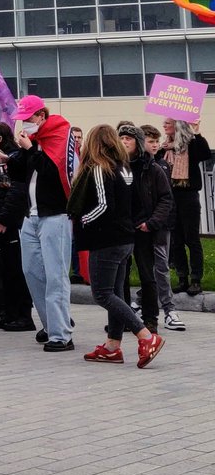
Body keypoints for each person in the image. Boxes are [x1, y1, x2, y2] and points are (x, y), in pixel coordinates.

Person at [68, 125, 165, 369]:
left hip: (106, 239)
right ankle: (112, 346)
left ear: (93, 143)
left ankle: (145, 336)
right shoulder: (124, 168)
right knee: (116, 293)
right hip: (124, 238)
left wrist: (81, 220)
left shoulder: (101, 168)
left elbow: (103, 205)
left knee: (102, 293)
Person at [6, 96, 75, 352]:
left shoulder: (59, 134)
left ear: (42, 116)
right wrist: (11, 157)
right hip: (31, 216)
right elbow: (21, 174)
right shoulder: (32, 143)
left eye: (29, 118)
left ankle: (61, 335)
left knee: (55, 275)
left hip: (54, 215)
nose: (25, 123)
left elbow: (52, 171)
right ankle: (52, 323)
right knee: (32, 272)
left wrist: (30, 149)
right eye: (22, 119)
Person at [0, 123, 36, 332]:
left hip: (8, 226)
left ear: (0, 138)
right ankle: (5, 313)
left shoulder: (10, 159)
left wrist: (3, 219)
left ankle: (22, 315)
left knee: (14, 272)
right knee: (0, 271)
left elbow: (14, 192)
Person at [118, 121, 172, 336]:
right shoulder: (115, 166)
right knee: (120, 278)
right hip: (122, 230)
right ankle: (121, 319)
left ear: (137, 143)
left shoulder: (152, 168)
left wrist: (151, 223)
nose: (124, 142)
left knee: (147, 276)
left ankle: (150, 320)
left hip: (144, 230)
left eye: (128, 138)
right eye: (121, 138)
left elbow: (166, 199)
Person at [141, 125, 184, 331]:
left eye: (157, 141)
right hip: (139, 227)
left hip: (159, 226)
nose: (155, 145)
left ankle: (168, 309)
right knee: (144, 268)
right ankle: (141, 302)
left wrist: (159, 222)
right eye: (151, 141)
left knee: (161, 267)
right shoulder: (133, 167)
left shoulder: (162, 166)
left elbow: (166, 199)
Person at [162, 119, 211, 297]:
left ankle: (196, 280)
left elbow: (205, 154)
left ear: (177, 126)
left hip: (188, 196)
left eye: (168, 122)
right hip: (170, 197)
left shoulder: (190, 145)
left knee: (192, 239)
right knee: (176, 240)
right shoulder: (165, 148)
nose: (164, 125)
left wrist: (197, 132)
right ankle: (182, 278)